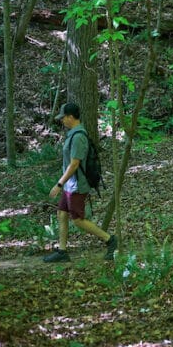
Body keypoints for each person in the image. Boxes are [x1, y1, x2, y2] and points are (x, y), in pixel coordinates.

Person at [44, 102, 118, 262]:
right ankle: (62, 252)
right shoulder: (73, 134)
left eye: (63, 118)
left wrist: (59, 184)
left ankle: (111, 240)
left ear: (71, 117)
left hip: (77, 185)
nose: (62, 121)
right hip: (70, 184)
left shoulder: (78, 137)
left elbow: (74, 164)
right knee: (62, 214)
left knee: (78, 220)